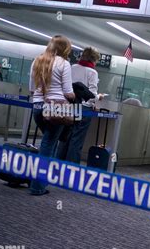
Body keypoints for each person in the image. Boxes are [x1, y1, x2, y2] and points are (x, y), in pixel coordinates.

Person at [29, 35, 75, 196]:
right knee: (48, 144)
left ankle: (43, 179)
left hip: (37, 106)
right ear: (65, 49)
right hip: (56, 109)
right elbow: (68, 92)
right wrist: (75, 96)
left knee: (50, 142)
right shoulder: (64, 63)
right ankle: (37, 186)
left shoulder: (37, 61)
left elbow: (31, 88)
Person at [56, 47, 104, 164]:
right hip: (83, 109)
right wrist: (99, 97)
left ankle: (57, 165)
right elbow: (91, 95)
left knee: (64, 136)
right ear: (93, 59)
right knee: (76, 140)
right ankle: (71, 170)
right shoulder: (92, 72)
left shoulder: (72, 67)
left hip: (69, 106)